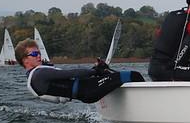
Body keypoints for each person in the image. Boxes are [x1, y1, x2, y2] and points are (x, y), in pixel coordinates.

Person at [15, 38, 143, 104]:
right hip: (90, 89)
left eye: (39, 52)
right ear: (25, 60)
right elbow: (72, 74)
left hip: (86, 90)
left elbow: (66, 85)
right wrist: (96, 71)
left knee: (110, 74)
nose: (39, 56)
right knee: (133, 75)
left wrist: (96, 70)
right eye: (34, 53)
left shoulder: (32, 80)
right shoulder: (40, 74)